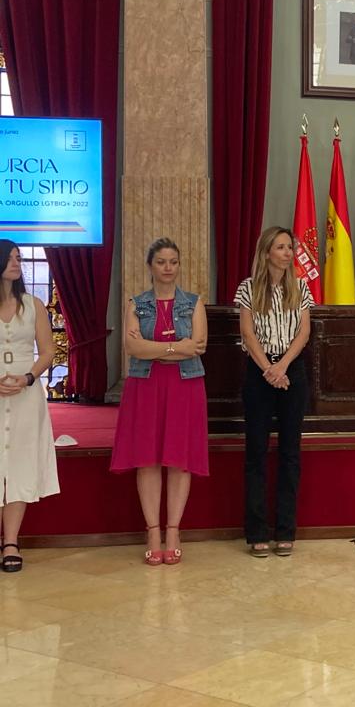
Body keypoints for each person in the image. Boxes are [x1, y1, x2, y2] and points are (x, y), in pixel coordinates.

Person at [111, 238, 208, 565]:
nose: (168, 268)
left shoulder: (193, 303)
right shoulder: (136, 304)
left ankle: (173, 529)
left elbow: (197, 346)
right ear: (150, 266)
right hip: (146, 386)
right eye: (161, 262)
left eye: (173, 262)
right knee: (148, 458)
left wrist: (157, 348)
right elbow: (132, 349)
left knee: (179, 459)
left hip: (184, 387)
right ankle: (153, 531)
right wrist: (173, 348)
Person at [235, 226, 313, 558]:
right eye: (280, 247)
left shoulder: (301, 288)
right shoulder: (248, 289)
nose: (287, 252)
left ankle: (285, 530)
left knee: (290, 452)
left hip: (291, 370)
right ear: (267, 252)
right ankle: (256, 532)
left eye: (289, 247)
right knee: (256, 451)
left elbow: (304, 332)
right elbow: (247, 333)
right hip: (259, 369)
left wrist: (282, 368)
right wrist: (268, 367)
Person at [0, 240, 59, 572]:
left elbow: (48, 351)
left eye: (18, 258)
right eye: (9, 258)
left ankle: (11, 541)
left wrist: (27, 378)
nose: (16, 263)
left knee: (19, 462)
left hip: (25, 395)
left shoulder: (32, 304)